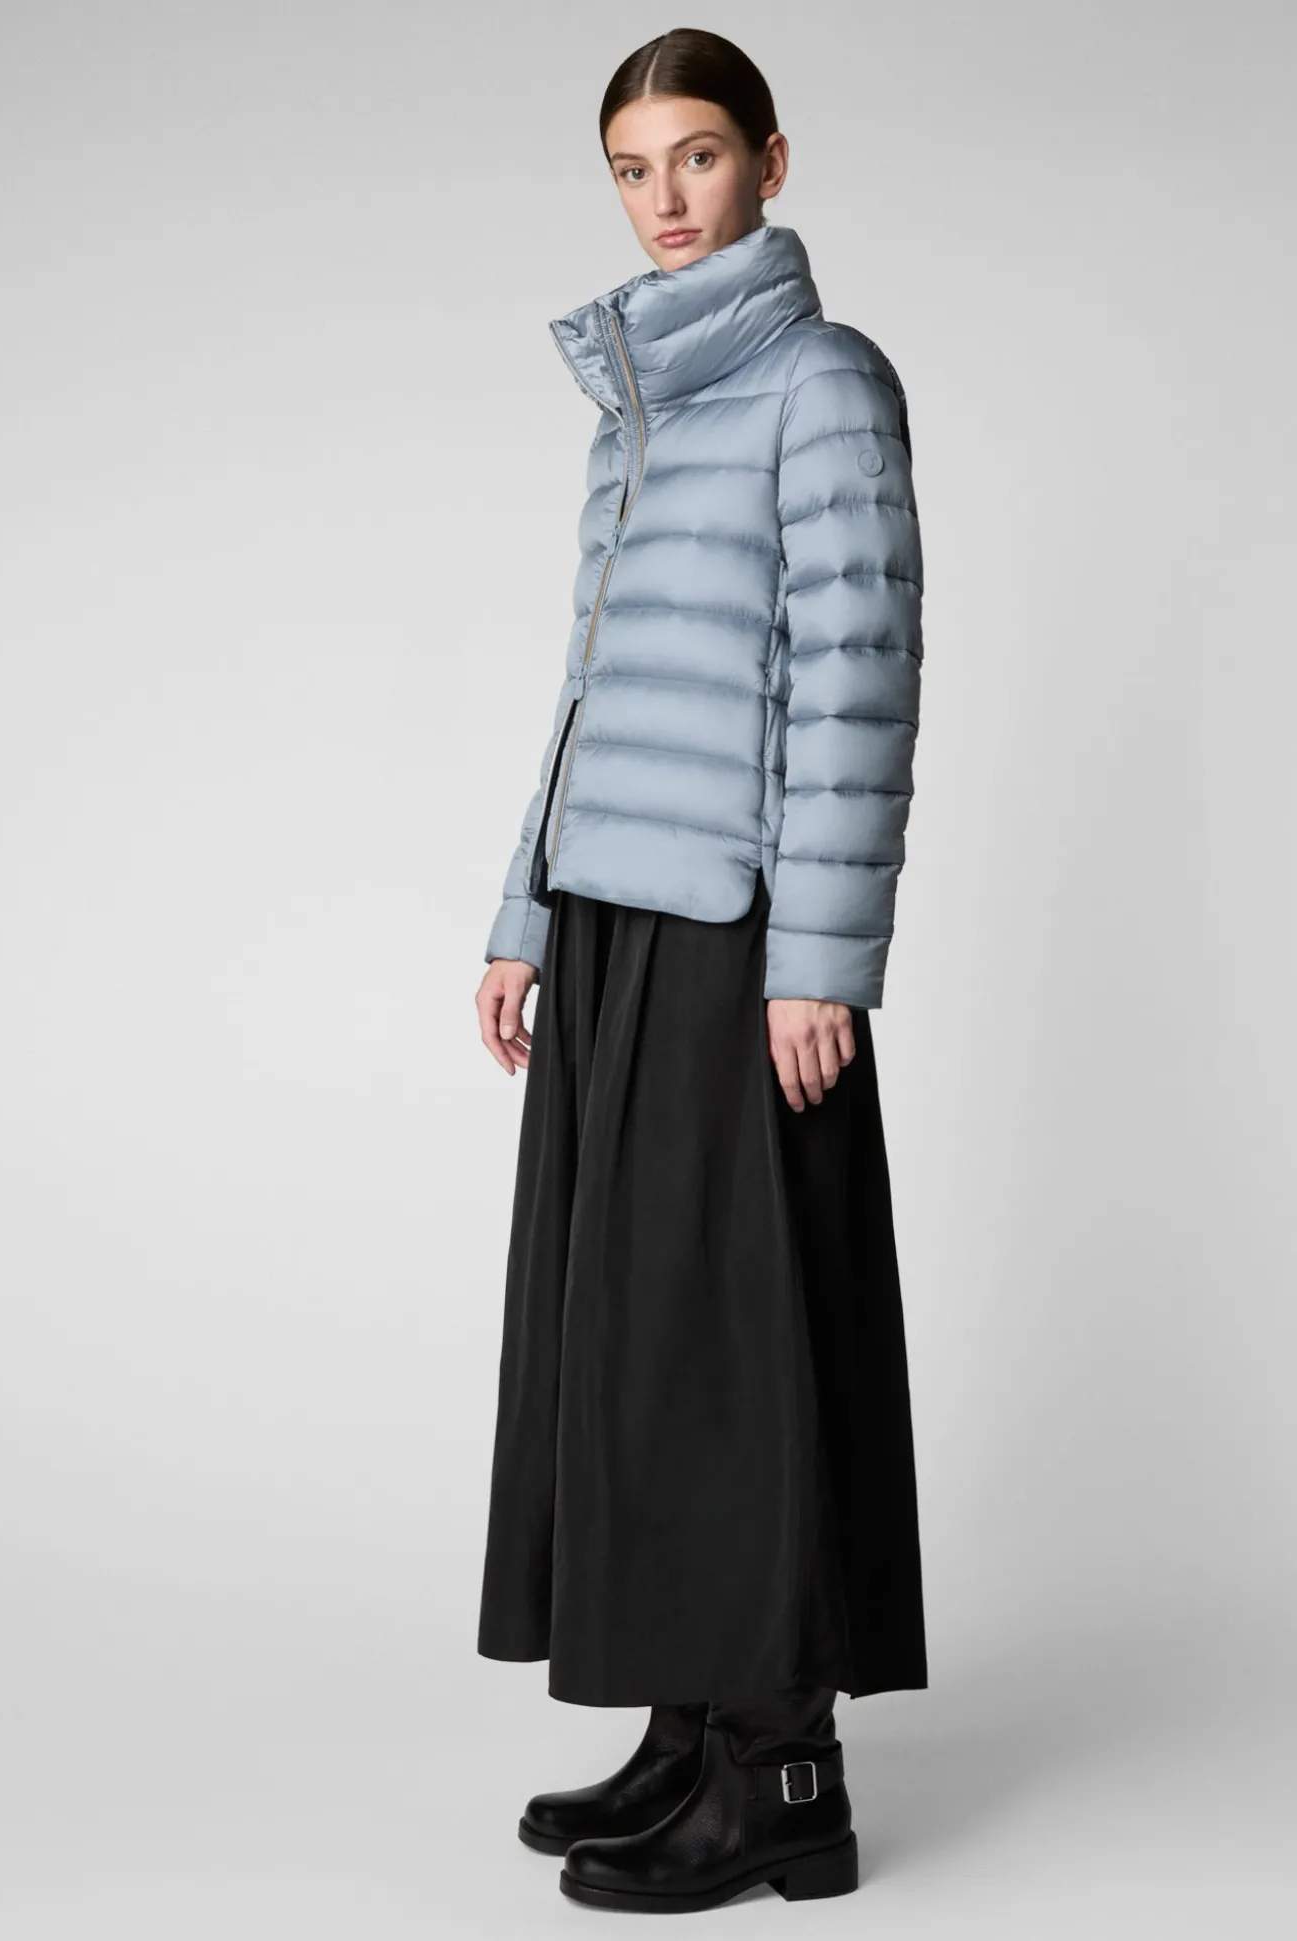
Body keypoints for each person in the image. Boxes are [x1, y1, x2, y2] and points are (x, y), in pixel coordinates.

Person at [471, 28, 928, 1915]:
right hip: (614, 928)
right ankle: (689, 1724)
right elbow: (592, 688)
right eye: (633, 167)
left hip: (744, 938)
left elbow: (859, 677)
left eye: (700, 157)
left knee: (741, 1353)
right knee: (637, 1348)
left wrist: (820, 959)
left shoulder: (824, 384)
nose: (666, 199)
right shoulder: (641, 407)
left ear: (771, 163)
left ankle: (782, 1775)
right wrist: (525, 914)